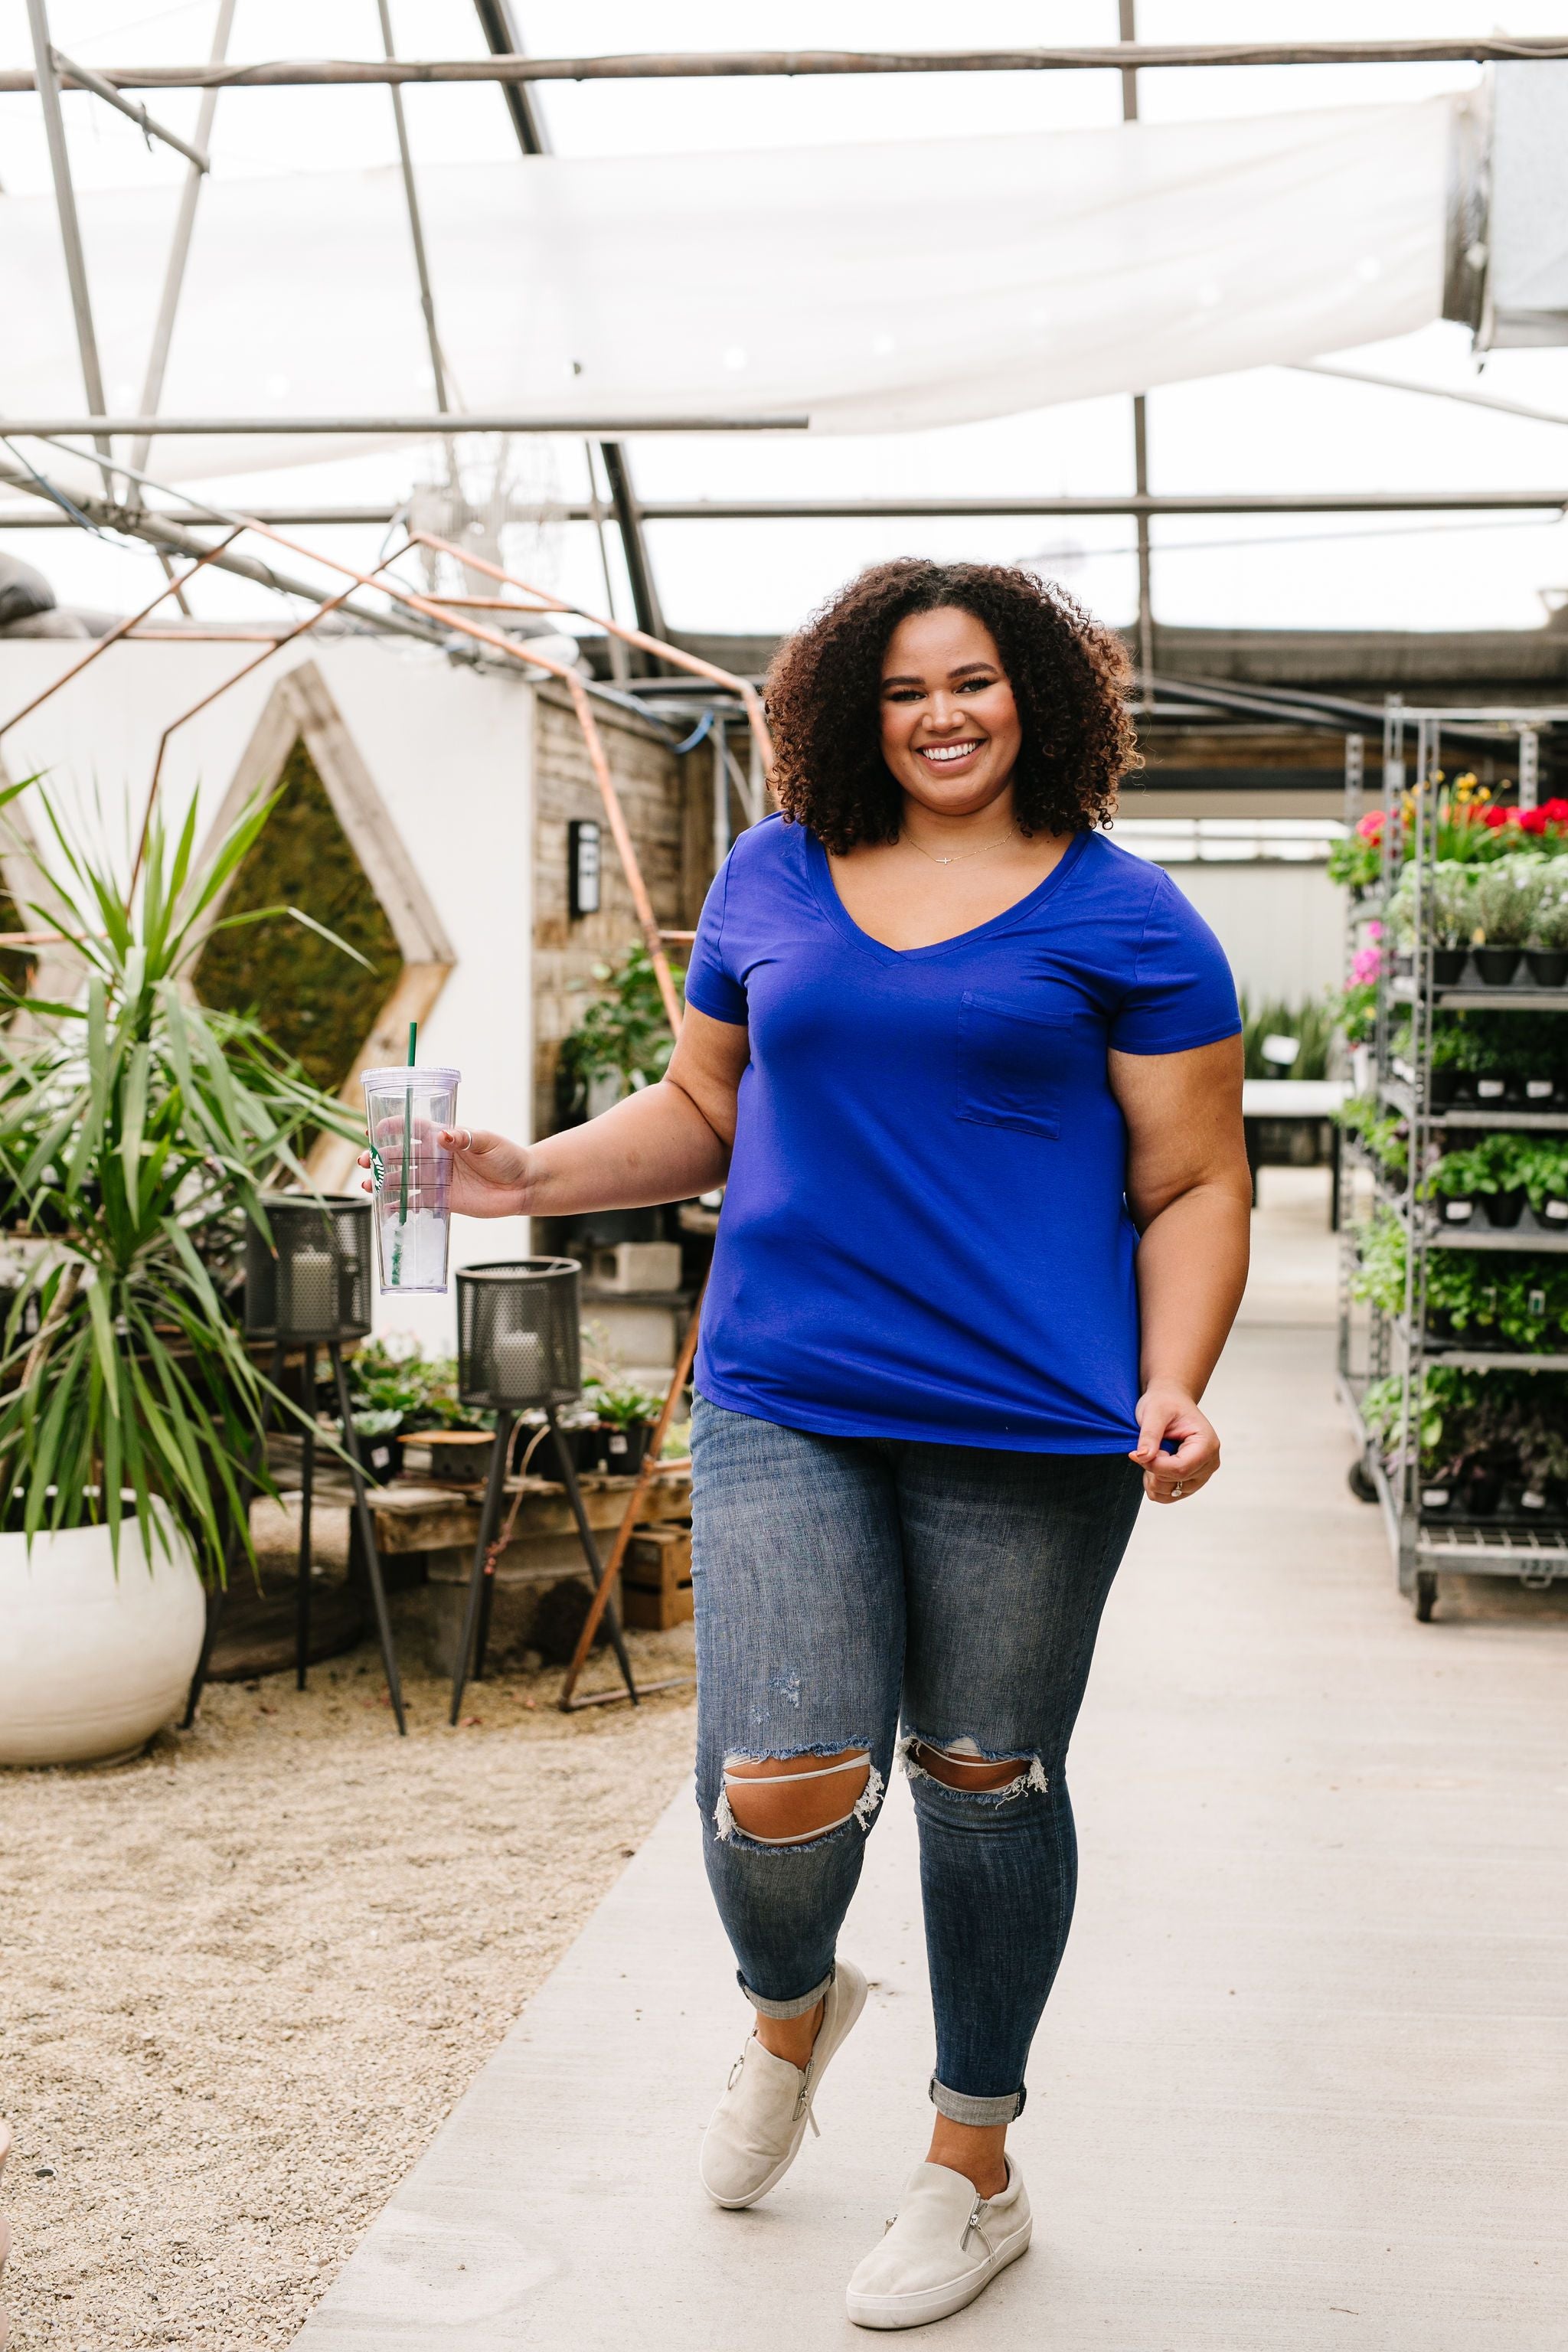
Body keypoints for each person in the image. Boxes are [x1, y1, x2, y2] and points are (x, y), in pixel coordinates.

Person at [376, 559, 1250, 2331]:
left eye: (974, 680)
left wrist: (1177, 1377)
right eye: (904, 687)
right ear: (852, 710)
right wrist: (527, 1176)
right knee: (774, 1789)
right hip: (787, 1389)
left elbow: (1193, 1181)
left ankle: (971, 2164)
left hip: (1032, 1417)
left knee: (987, 1780)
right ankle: (792, 2008)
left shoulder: (1131, 918)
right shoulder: (772, 874)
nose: (942, 714)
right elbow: (705, 1106)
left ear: (1038, 698)